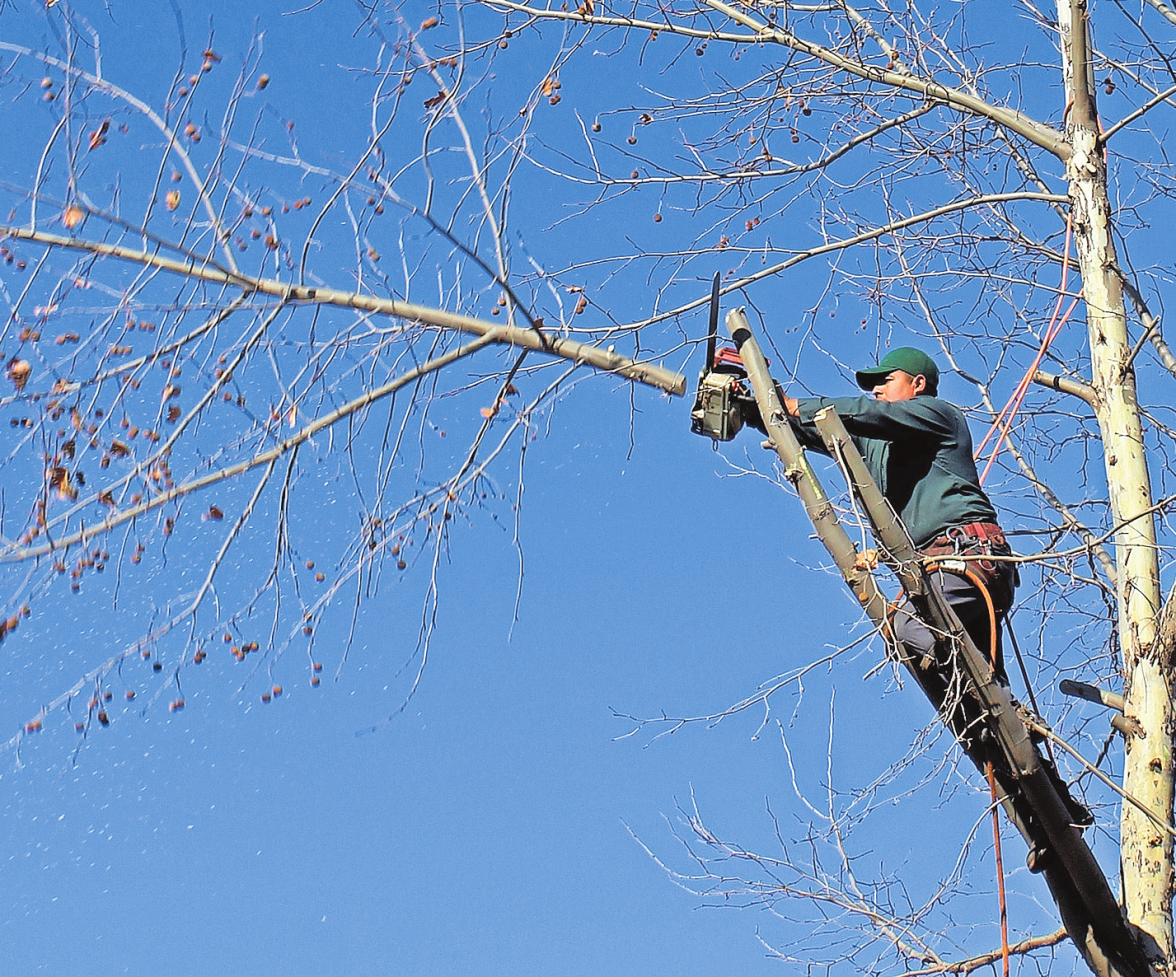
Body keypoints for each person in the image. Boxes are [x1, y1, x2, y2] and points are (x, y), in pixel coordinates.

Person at [775, 347, 1016, 675]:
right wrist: (760, 408)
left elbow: (872, 416)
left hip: (968, 557)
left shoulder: (938, 414)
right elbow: (815, 430)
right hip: (937, 571)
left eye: (885, 381)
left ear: (917, 384)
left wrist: (796, 406)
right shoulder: (876, 443)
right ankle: (1001, 719)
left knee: (908, 630)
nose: (875, 390)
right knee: (975, 695)